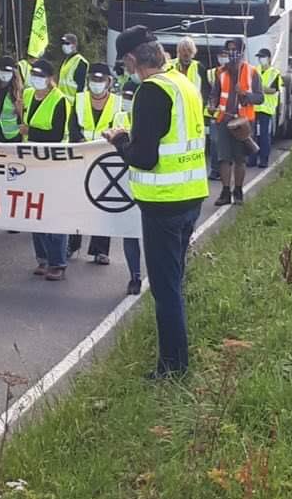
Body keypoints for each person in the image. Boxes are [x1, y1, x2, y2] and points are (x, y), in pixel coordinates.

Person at [104, 26, 208, 379]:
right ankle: (176, 357)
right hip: (191, 195)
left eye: (125, 64)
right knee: (175, 281)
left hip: (163, 202)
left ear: (132, 59)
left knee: (165, 291)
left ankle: (173, 367)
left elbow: (144, 157)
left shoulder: (150, 92)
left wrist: (119, 141)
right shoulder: (183, 84)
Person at [21, 59, 69, 281]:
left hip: (54, 163)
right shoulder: (29, 95)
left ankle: (57, 261)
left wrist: (31, 132)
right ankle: (42, 258)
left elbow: (57, 135)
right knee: (34, 210)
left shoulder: (60, 100)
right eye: (33, 74)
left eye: (40, 75)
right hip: (31, 162)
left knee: (55, 213)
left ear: (51, 78)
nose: (36, 78)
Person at [68, 63, 121, 265]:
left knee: (102, 205)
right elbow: (72, 128)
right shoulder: (79, 100)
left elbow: (121, 127)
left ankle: (100, 250)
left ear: (108, 81)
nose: (96, 84)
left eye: (100, 80)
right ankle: (72, 245)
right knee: (77, 203)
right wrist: (78, 142)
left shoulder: (117, 102)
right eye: (93, 80)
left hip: (106, 161)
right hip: (81, 157)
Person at [208, 37, 263, 206]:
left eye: (234, 49)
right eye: (228, 50)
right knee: (224, 158)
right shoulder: (220, 73)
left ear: (241, 52)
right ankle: (225, 192)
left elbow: (260, 98)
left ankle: (238, 191)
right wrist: (211, 105)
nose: (231, 53)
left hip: (243, 122)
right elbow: (214, 95)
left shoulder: (252, 72)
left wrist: (245, 94)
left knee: (240, 159)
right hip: (224, 120)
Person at [112, 79, 142, 295]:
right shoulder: (119, 117)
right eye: (125, 97)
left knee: (150, 237)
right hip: (123, 183)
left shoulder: (146, 119)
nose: (126, 101)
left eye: (130, 98)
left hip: (149, 186)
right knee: (129, 232)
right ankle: (135, 276)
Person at [248, 48, 282, 169]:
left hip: (266, 109)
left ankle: (263, 160)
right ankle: (251, 159)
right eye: (259, 57)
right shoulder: (254, 71)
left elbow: (273, 90)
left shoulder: (275, 73)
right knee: (251, 135)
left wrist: (259, 88)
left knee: (264, 135)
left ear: (268, 58)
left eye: (262, 57)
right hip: (253, 107)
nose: (260, 59)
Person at [206, 50, 229, 181]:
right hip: (215, 113)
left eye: (225, 56)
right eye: (221, 55)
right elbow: (208, 92)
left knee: (226, 144)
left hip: (229, 113)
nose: (223, 58)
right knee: (214, 142)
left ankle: (225, 170)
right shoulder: (211, 73)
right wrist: (211, 105)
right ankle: (215, 170)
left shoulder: (233, 73)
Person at [58, 33, 88, 102]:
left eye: (67, 43)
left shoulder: (80, 62)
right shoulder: (66, 61)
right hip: (63, 102)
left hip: (72, 103)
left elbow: (81, 87)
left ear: (74, 45)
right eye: (63, 43)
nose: (64, 45)